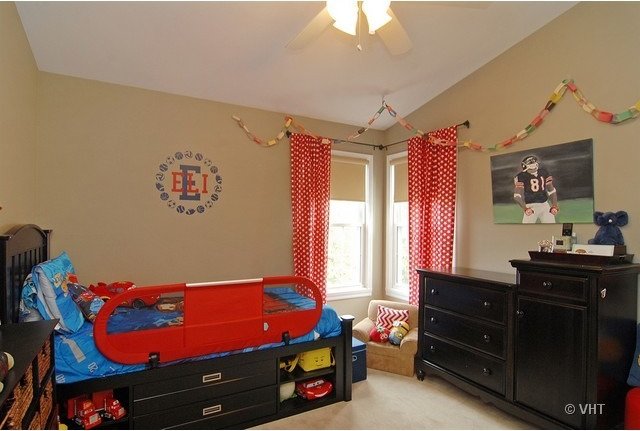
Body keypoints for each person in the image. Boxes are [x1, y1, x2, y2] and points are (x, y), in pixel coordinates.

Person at [513, 155, 558, 223]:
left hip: (544, 205)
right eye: (530, 163)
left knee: (551, 226)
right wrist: (525, 208)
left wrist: (554, 206)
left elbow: (551, 191)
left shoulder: (543, 172)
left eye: (533, 162)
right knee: (526, 230)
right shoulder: (521, 176)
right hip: (531, 206)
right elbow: (517, 196)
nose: (533, 164)